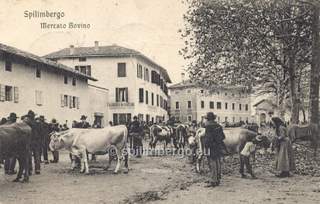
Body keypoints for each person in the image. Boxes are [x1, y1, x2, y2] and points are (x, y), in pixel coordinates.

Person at [203, 112, 226, 187]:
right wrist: (217, 141)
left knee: (212, 163)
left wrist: (205, 145)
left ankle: (213, 180)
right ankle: (218, 179)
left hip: (211, 147)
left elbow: (207, 139)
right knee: (218, 162)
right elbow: (223, 137)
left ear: (208, 119)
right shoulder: (219, 126)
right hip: (218, 146)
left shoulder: (208, 127)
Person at [23, 110, 41, 175]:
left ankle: (29, 170)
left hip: (29, 140)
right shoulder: (37, 123)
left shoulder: (26, 124)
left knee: (28, 156)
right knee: (37, 156)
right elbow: (40, 133)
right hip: (36, 141)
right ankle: (37, 169)